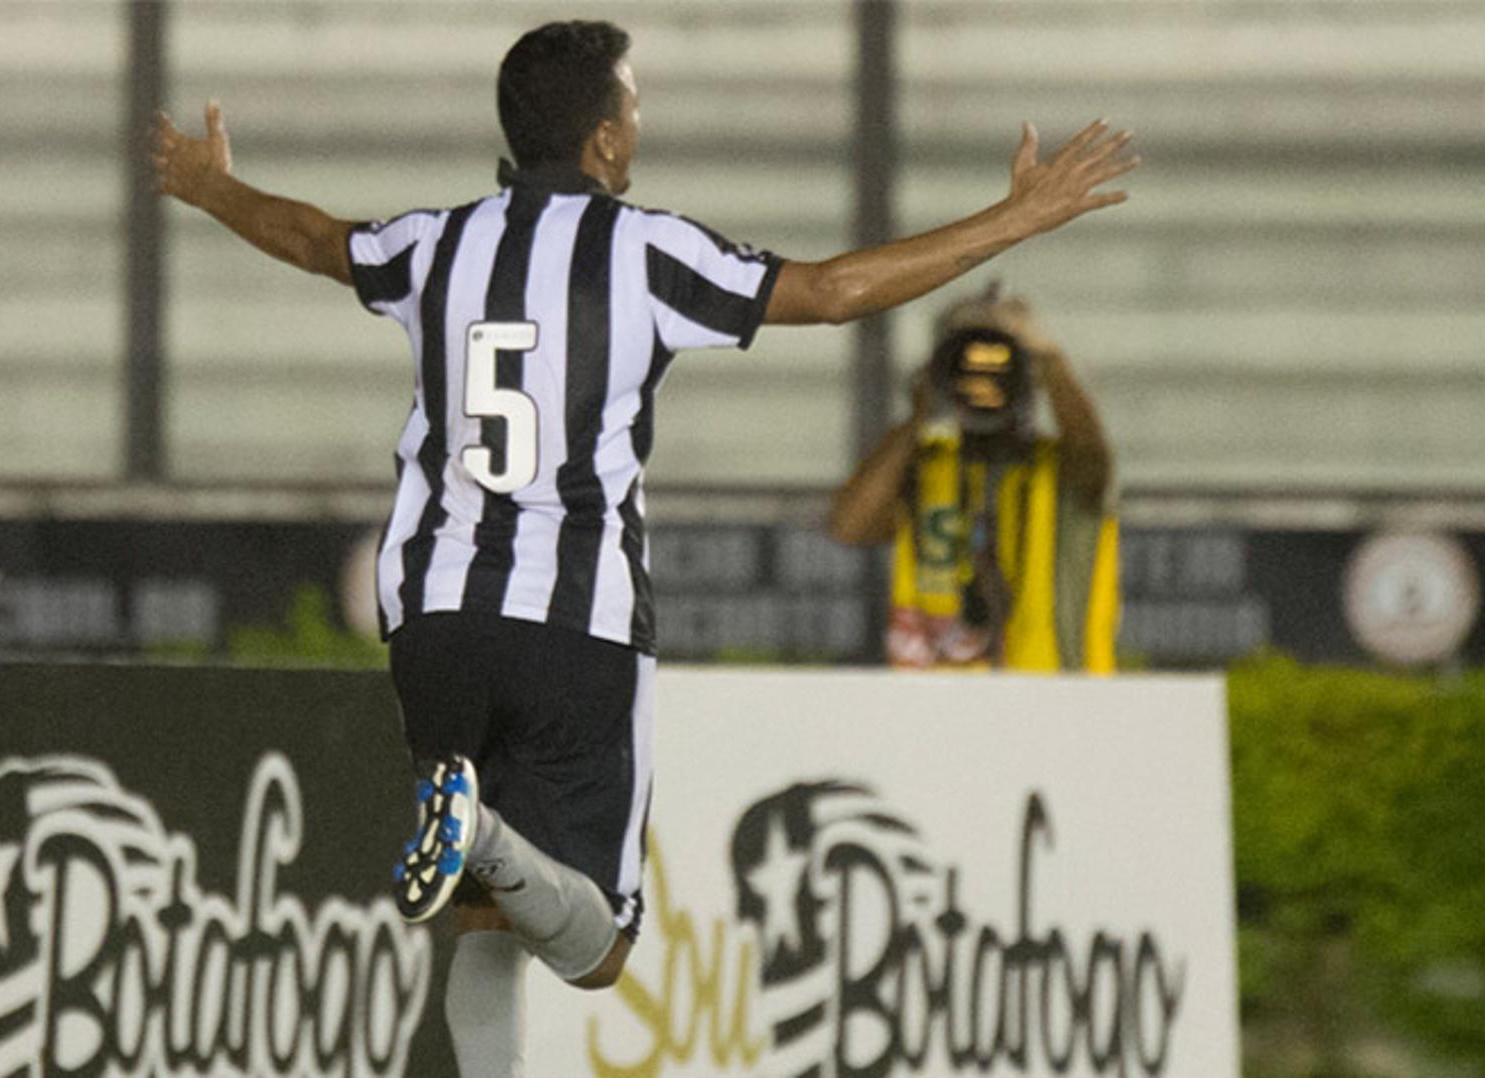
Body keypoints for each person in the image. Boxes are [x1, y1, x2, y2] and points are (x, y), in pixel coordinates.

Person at [151, 18, 1135, 1074]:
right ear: (605, 143)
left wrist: (210, 188)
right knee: (599, 948)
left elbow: (311, 238)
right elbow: (836, 290)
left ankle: (474, 832)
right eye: (632, 107)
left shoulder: (433, 244)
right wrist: (1016, 216)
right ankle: (476, 830)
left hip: (434, 621)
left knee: (488, 920)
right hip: (576, 625)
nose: (637, 125)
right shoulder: (647, 251)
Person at [827, 286, 1121, 673]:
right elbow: (850, 526)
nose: (983, 377)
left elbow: (1093, 459)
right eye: (963, 360)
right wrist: (922, 410)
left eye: (1002, 360)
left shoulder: (1055, 467)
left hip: (1053, 701)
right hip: (938, 707)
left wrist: (1047, 359)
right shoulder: (925, 461)